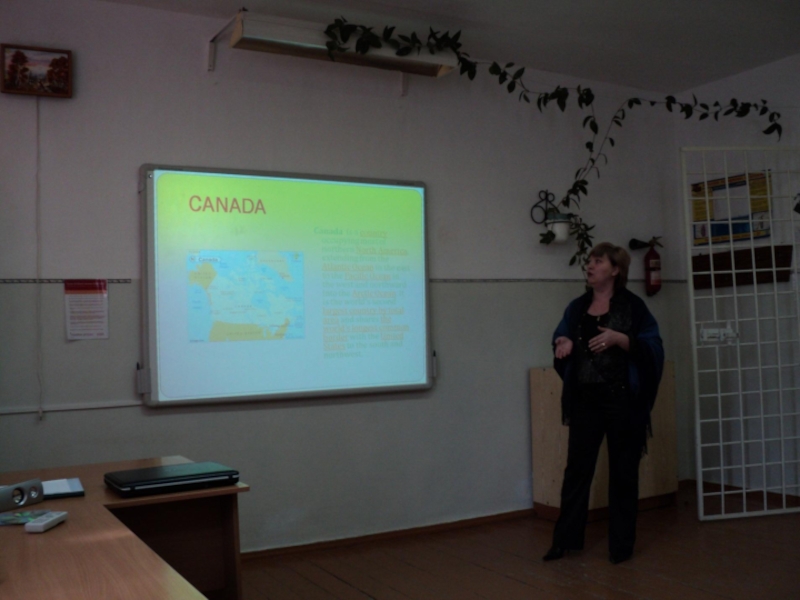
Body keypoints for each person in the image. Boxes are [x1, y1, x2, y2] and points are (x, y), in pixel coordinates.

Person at [542, 242, 664, 565]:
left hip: (622, 400)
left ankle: (621, 547)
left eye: (598, 261)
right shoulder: (577, 307)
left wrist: (621, 339)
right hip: (585, 400)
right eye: (589, 261)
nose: (590, 266)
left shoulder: (635, 307)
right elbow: (562, 335)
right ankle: (565, 541)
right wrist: (563, 342)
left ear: (616, 269)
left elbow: (653, 347)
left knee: (623, 472)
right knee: (577, 471)